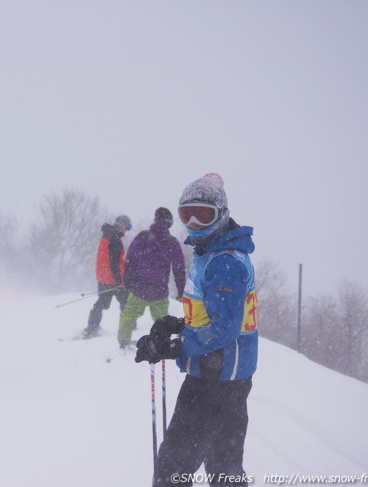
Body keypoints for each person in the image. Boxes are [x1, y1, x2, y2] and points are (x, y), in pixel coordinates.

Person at [135, 173, 258, 486]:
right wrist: (176, 324)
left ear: (222, 214)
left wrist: (177, 346)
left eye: (203, 215)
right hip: (230, 379)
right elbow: (218, 312)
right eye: (186, 213)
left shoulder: (223, 261)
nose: (193, 222)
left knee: (172, 469)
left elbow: (223, 330)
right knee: (224, 467)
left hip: (213, 380)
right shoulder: (214, 254)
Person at [117, 207, 186, 349]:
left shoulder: (143, 237)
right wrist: (181, 291)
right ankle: (162, 343)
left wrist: (128, 282)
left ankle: (123, 342)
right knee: (162, 321)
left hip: (139, 289)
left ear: (155, 220)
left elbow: (130, 260)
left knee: (128, 316)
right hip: (159, 292)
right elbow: (179, 269)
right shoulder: (172, 242)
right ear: (170, 223)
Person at [82, 215, 132, 339]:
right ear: (122, 226)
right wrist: (118, 281)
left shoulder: (107, 235)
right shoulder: (114, 239)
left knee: (102, 303)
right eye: (128, 227)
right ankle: (129, 327)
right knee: (126, 302)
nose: (127, 230)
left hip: (103, 276)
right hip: (112, 278)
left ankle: (92, 328)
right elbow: (114, 263)